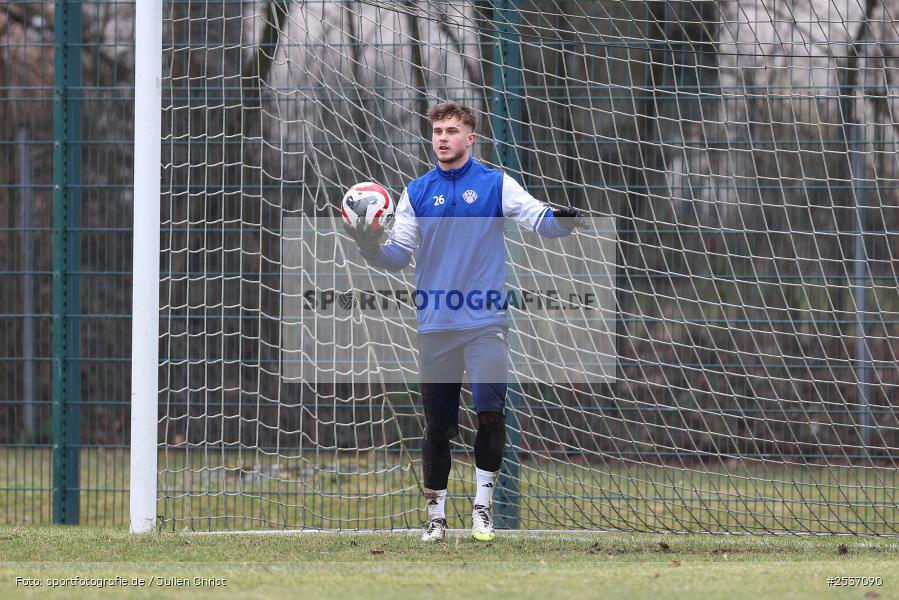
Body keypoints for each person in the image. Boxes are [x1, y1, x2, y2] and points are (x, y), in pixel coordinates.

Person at [345, 101, 583, 542]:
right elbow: (398, 255)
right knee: (438, 427)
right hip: (437, 326)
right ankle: (435, 517)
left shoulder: (495, 184)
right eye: (437, 131)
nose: (442, 138)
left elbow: (539, 219)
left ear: (470, 138)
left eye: (452, 130)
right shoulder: (416, 191)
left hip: (485, 322)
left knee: (491, 413)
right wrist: (369, 245)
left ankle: (482, 510)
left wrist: (567, 219)